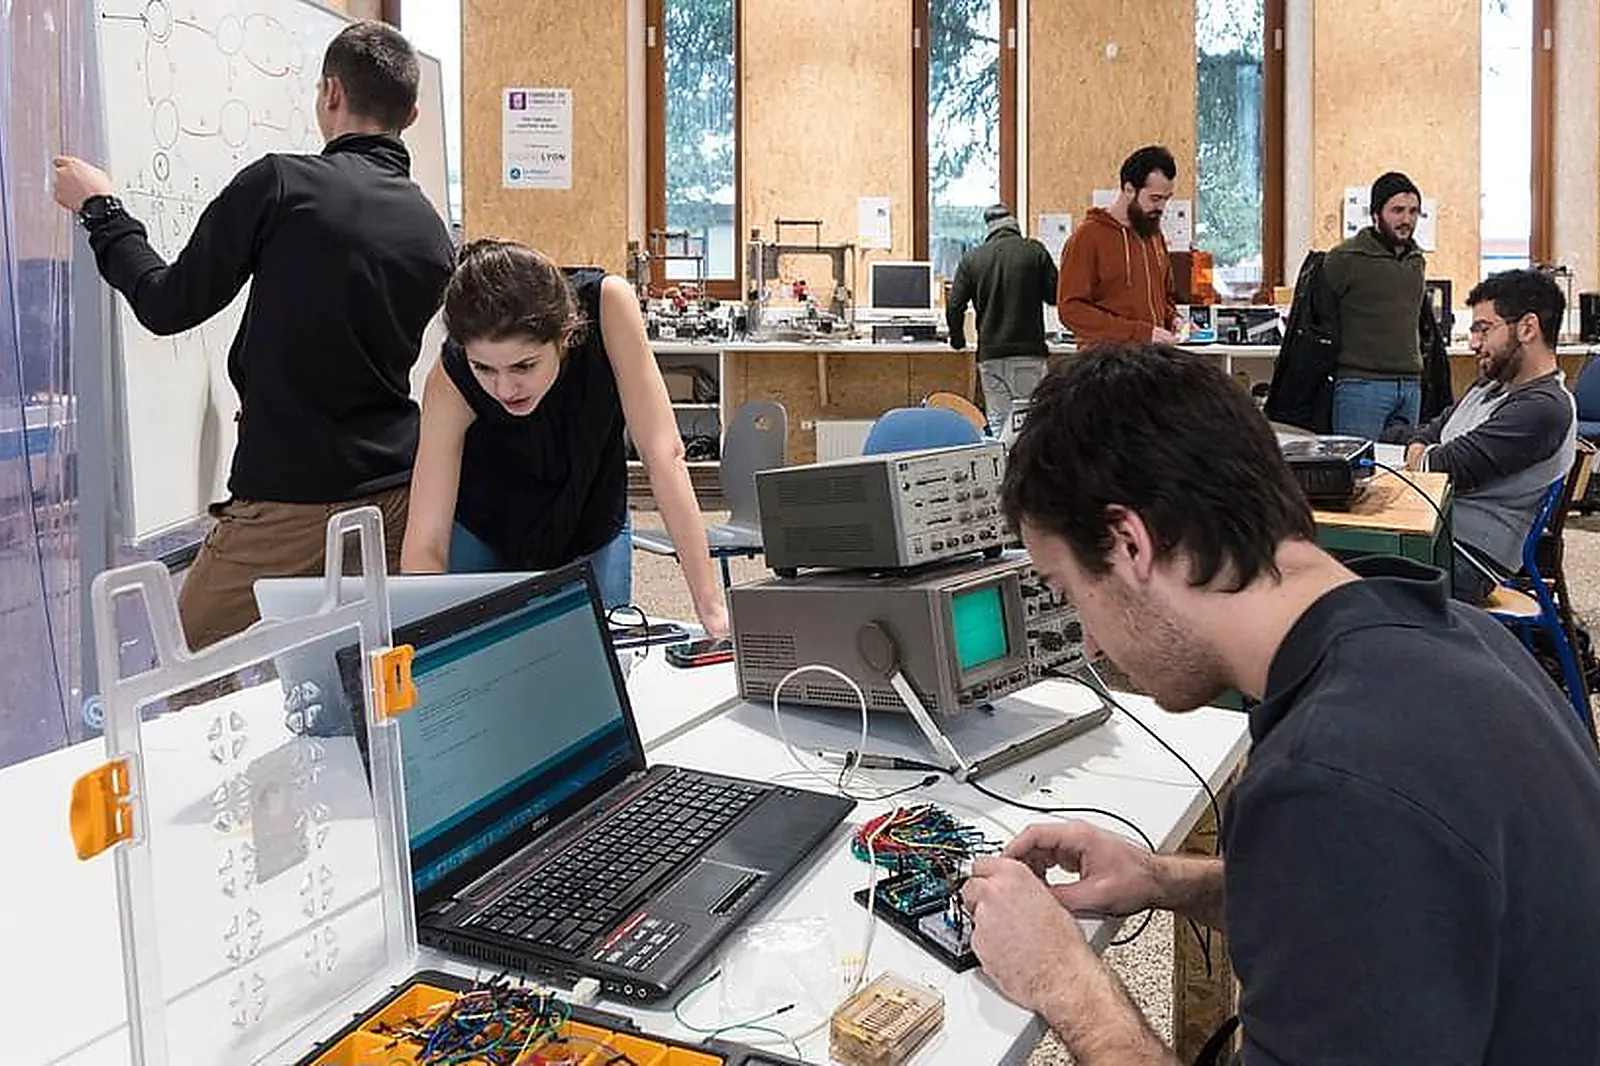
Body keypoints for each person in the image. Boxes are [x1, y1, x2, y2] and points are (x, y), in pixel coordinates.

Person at [961, 345, 1600, 1064]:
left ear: (1129, 544)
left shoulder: (1331, 781)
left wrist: (1067, 984)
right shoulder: (1457, 640)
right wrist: (1164, 879)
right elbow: (1378, 913)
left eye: (1069, 589)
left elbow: (1355, 846)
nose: (1090, 642)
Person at [51, 21, 455, 651]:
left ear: (329, 93)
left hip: (286, 496)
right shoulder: (432, 229)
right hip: (395, 499)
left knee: (183, 664)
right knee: (363, 672)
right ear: (413, 112)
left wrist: (101, 211)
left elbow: (167, 303)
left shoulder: (282, 184)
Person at [400, 239, 729, 637]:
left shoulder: (608, 306)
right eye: (484, 368)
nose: (505, 388)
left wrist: (712, 612)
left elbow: (665, 457)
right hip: (489, 526)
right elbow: (426, 542)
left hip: (590, 514)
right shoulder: (451, 377)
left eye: (525, 365)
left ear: (564, 334)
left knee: (604, 658)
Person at [1406, 269, 1576, 604]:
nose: (1473, 343)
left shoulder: (1544, 408)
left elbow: (1437, 467)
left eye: (1484, 330)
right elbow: (1428, 432)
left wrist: (1423, 455)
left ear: (1527, 328)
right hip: (1435, 535)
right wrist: (1423, 451)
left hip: (1468, 559)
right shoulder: (1490, 384)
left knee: (1335, 577)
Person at [1324, 171, 1426, 441]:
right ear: (1376, 214)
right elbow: (1321, 316)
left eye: (1413, 211)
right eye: (1397, 210)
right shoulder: (1345, 258)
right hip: (1361, 385)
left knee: (1403, 473)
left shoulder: (1416, 260)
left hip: (1410, 385)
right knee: (1357, 473)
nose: (1406, 219)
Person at [946, 203, 1059, 435]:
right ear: (1014, 226)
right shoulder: (1034, 251)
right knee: (1030, 425)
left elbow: (954, 305)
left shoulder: (972, 258)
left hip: (990, 356)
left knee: (998, 423)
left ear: (989, 229)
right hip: (1028, 353)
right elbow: (1055, 296)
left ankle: (1003, 471)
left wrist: (957, 340)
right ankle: (1027, 471)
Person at [1057, 146, 1181, 347]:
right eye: (1155, 198)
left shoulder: (1154, 236)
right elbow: (1071, 310)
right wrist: (1138, 333)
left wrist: (1173, 319)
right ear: (1129, 189)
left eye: (1166, 198)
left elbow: (1163, 298)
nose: (1161, 207)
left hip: (1150, 359)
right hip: (1107, 364)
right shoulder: (1087, 237)